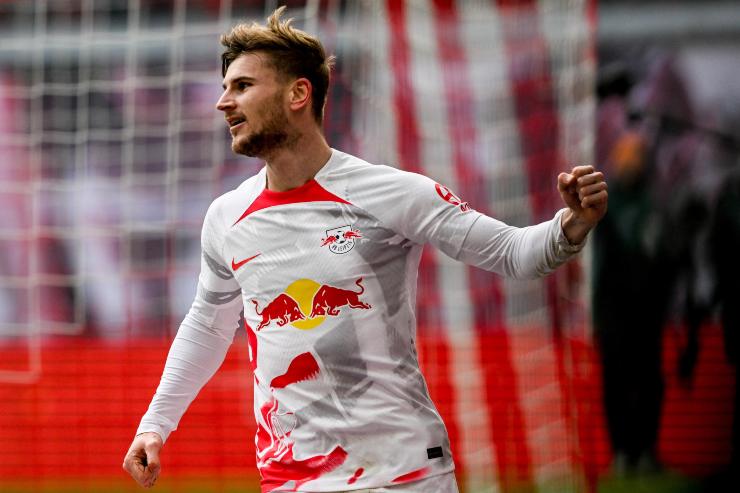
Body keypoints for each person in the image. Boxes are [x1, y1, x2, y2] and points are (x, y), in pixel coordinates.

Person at [122, 7, 608, 493]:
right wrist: (155, 424)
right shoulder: (226, 217)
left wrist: (572, 223)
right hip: (291, 479)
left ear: (298, 94)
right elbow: (207, 326)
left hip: (403, 474)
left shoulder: (390, 193)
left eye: (243, 86)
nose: (223, 102)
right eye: (225, 87)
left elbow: (513, 253)